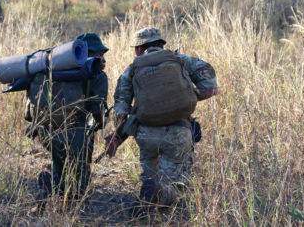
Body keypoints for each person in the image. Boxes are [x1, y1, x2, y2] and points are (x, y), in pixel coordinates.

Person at [105, 27, 218, 216]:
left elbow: (120, 112)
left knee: (150, 177)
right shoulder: (181, 60)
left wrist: (117, 136)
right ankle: (161, 196)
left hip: (145, 135)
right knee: (175, 183)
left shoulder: (132, 69)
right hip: (178, 132)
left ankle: (148, 202)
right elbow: (211, 88)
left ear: (139, 49)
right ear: (161, 44)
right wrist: (183, 97)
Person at [33, 33, 109, 200]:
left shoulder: (55, 70)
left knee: (58, 162)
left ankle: (52, 185)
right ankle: (75, 196)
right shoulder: (97, 75)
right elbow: (97, 109)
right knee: (80, 169)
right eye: (98, 54)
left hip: (46, 129)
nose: (101, 58)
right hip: (76, 130)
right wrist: (99, 124)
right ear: (89, 54)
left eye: (102, 54)